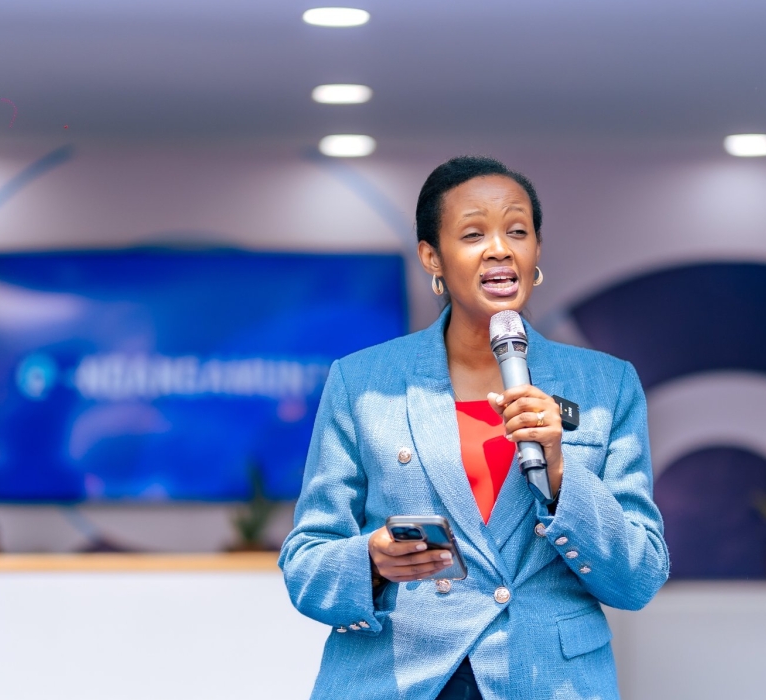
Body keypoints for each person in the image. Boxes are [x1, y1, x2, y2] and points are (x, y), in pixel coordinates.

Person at [279, 156, 669, 699]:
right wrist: (371, 559)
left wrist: (561, 474)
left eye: (517, 230)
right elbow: (305, 564)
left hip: (549, 683)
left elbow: (639, 576)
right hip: (399, 680)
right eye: (472, 233)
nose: (499, 249)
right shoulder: (362, 382)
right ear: (431, 257)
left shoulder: (607, 386)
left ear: (535, 253)